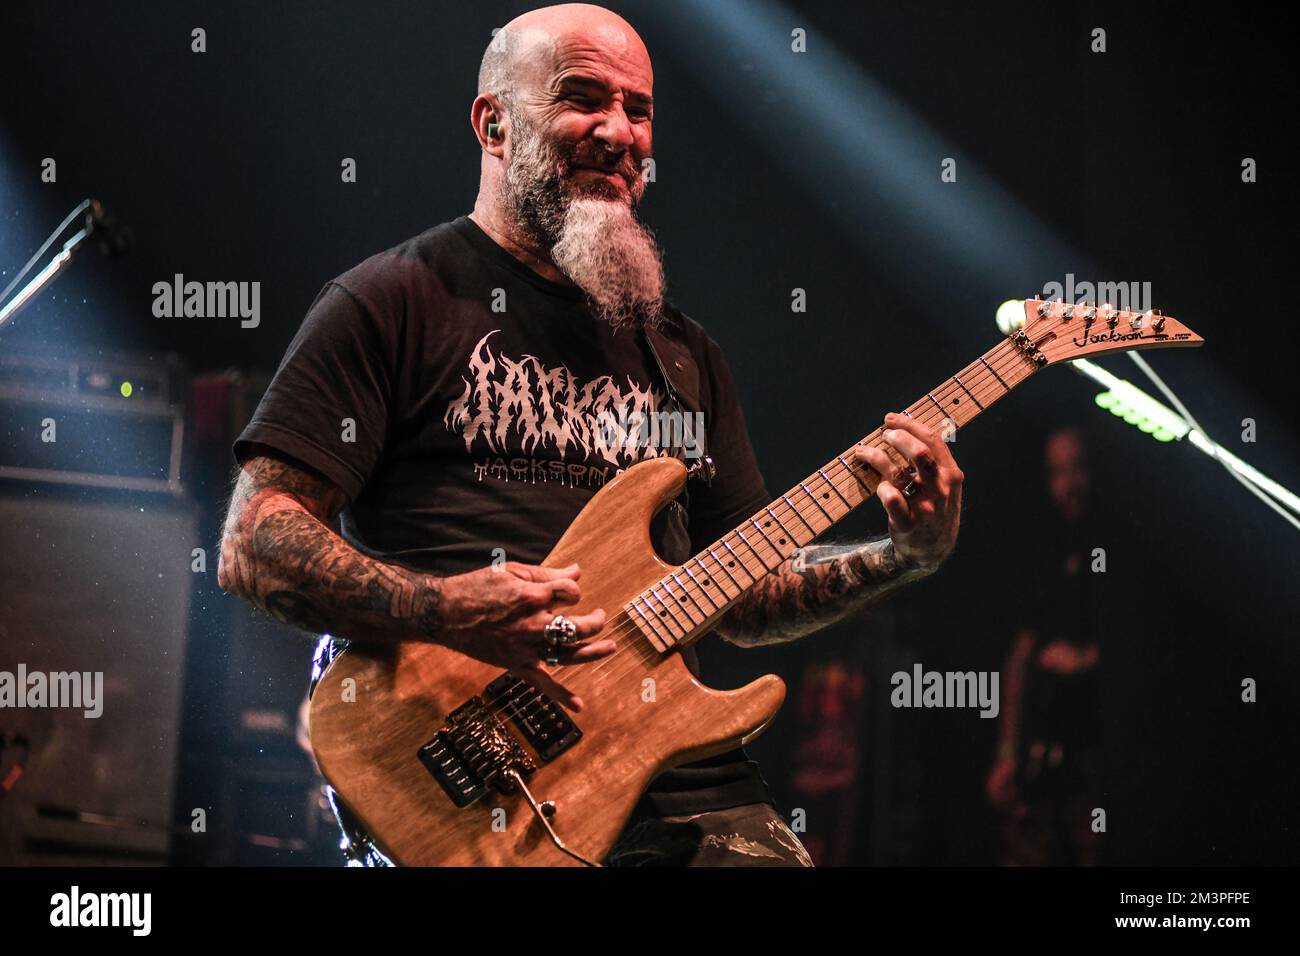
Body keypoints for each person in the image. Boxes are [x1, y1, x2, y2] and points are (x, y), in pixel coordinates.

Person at [217, 2, 965, 866]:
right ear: (493, 122)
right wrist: (452, 611)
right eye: (583, 98)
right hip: (473, 769)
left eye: (638, 109)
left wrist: (902, 554)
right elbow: (255, 544)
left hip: (681, 785)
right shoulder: (389, 302)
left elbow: (751, 601)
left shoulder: (685, 356)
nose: (619, 131)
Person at [985, 425, 1102, 866]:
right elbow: (1019, 656)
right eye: (1057, 473)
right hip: (1041, 749)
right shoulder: (1044, 548)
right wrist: (1006, 755)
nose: (1068, 485)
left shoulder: (1119, 549)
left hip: (1096, 752)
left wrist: (1086, 659)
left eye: (1077, 469)